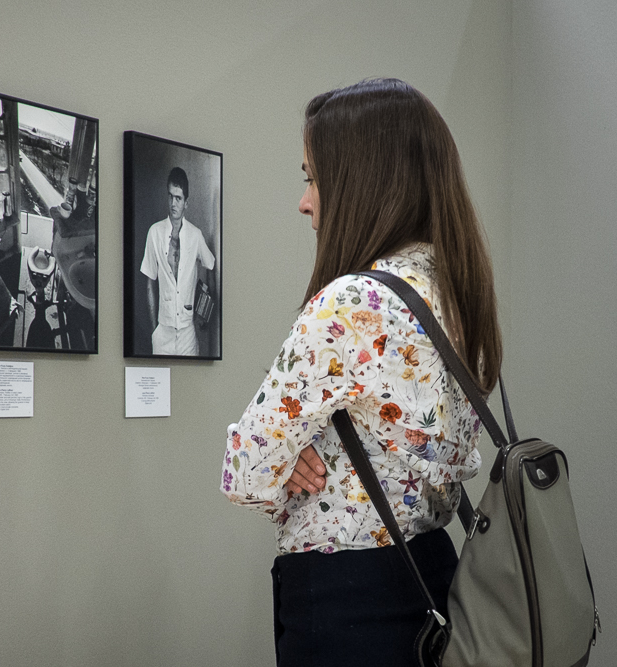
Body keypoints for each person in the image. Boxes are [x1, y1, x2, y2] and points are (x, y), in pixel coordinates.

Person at [219, 79, 503, 666]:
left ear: (363, 183)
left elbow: (245, 468)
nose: (305, 201)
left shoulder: (355, 302)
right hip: (437, 572)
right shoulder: (455, 292)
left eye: (312, 178)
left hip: (349, 602)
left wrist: (286, 453)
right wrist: (286, 451)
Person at [139, 167, 216, 356]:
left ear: (186, 203)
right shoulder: (154, 233)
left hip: (187, 332)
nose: (173, 203)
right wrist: (154, 329)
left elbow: (211, 265)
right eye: (171, 196)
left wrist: (202, 310)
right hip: (162, 331)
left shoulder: (195, 235)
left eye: (178, 198)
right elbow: (150, 281)